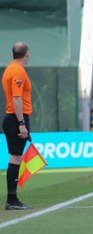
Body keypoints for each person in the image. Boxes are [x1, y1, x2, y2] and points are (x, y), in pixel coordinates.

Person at [2, 42, 33, 210]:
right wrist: (22, 124)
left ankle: (12, 200)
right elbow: (16, 98)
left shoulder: (10, 68)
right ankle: (12, 201)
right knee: (15, 158)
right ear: (26, 54)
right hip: (16, 118)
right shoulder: (18, 70)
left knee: (16, 157)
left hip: (13, 118)